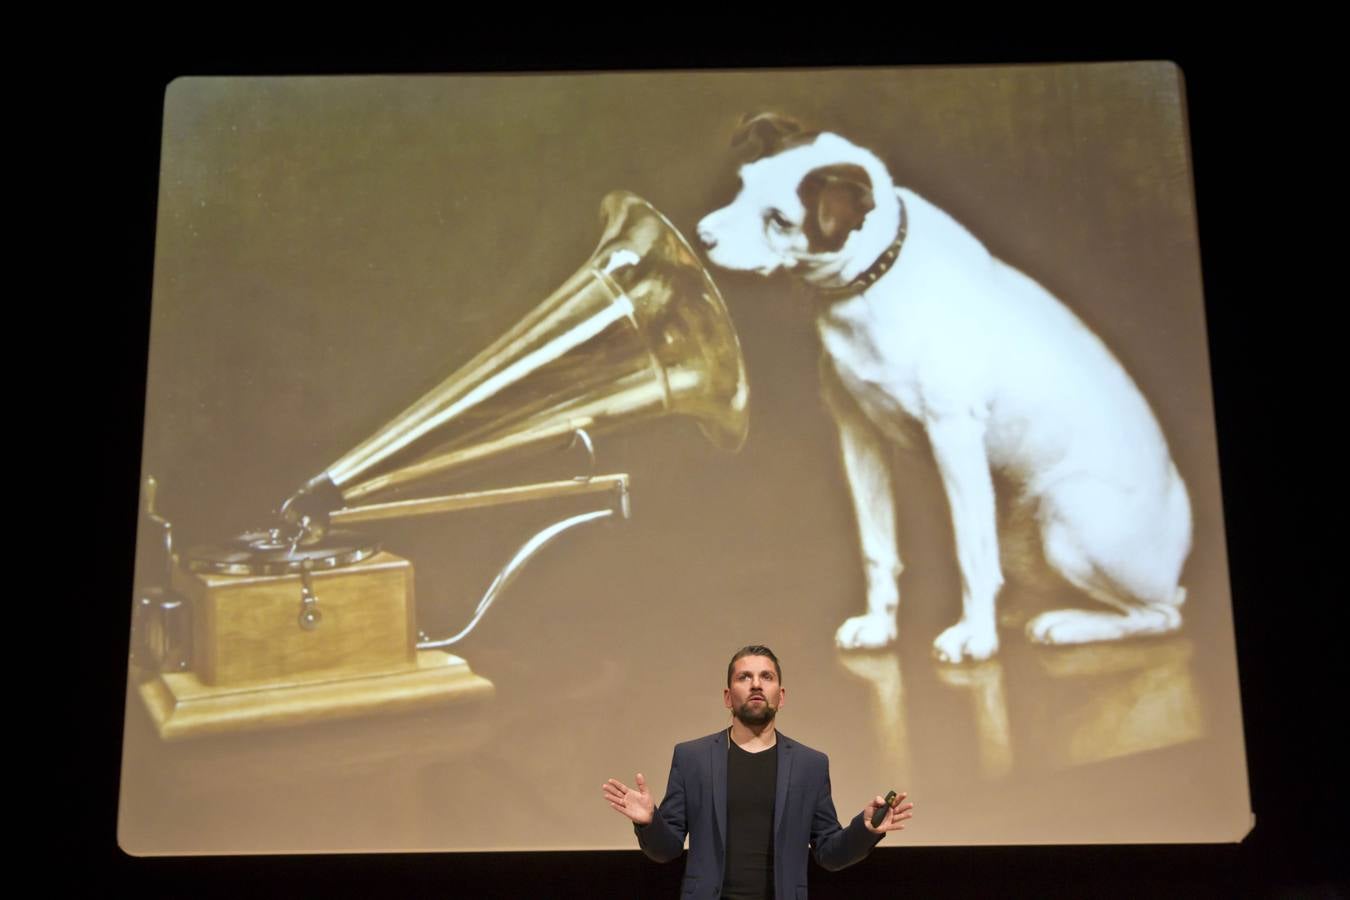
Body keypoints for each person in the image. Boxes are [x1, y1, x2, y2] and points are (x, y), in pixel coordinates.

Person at [602, 644, 913, 899]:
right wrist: (649, 822)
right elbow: (666, 850)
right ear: (727, 697)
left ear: (781, 695)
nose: (755, 684)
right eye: (744, 677)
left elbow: (829, 853)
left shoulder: (810, 764)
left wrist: (867, 829)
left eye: (766, 676)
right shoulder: (692, 757)